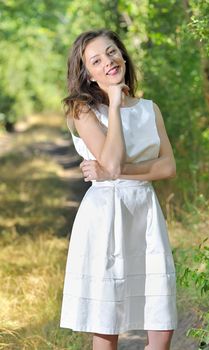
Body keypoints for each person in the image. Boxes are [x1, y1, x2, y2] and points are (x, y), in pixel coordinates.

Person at [60, 28, 178, 350]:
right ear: (87, 73)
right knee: (107, 322)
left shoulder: (149, 109)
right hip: (105, 217)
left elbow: (167, 167)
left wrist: (117, 171)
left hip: (145, 214)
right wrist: (113, 104)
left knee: (161, 323)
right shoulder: (81, 110)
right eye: (96, 60)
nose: (108, 62)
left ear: (122, 54)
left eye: (111, 52)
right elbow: (111, 162)